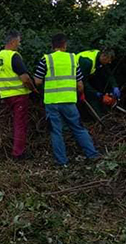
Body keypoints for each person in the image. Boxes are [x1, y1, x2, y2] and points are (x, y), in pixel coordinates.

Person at [34, 34, 101, 166]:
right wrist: (79, 93)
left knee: (56, 132)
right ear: (65, 45)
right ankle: (92, 155)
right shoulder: (72, 59)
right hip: (69, 102)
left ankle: (62, 162)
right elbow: (80, 85)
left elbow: (37, 81)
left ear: (52, 46)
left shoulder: (46, 60)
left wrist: (45, 88)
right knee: (78, 128)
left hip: (52, 102)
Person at [0, 30, 38, 160]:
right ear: (13, 42)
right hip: (19, 95)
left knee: (16, 123)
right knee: (20, 124)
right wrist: (33, 90)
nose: (19, 44)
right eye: (18, 42)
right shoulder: (14, 56)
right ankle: (18, 153)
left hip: (6, 95)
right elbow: (25, 79)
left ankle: (16, 149)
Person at [76, 49, 120, 119]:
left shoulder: (100, 58)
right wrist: (97, 94)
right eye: (109, 60)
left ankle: (101, 114)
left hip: (85, 77)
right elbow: (82, 82)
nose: (110, 62)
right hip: (74, 80)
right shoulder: (87, 62)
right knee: (85, 97)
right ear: (104, 56)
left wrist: (115, 86)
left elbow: (108, 74)